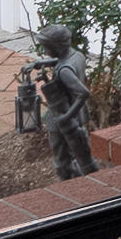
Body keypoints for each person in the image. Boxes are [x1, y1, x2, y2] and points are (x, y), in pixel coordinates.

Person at [23, 22, 98, 180]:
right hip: (78, 115)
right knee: (80, 153)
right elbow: (62, 62)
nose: (44, 50)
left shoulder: (64, 71)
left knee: (61, 160)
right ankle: (85, 181)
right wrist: (40, 64)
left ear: (56, 46)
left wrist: (66, 117)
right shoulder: (77, 56)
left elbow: (83, 93)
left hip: (63, 115)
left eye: (46, 47)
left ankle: (69, 187)